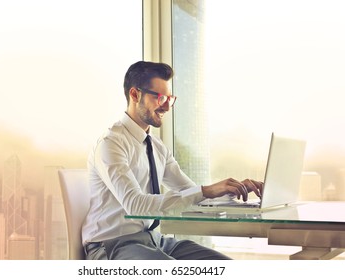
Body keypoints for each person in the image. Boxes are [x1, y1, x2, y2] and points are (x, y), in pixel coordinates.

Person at [82, 61, 263, 260]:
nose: (167, 106)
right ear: (135, 95)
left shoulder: (157, 147)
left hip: (152, 240)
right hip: (112, 245)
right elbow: (135, 205)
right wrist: (206, 190)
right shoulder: (111, 144)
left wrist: (234, 191)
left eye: (169, 98)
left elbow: (192, 194)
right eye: (160, 98)